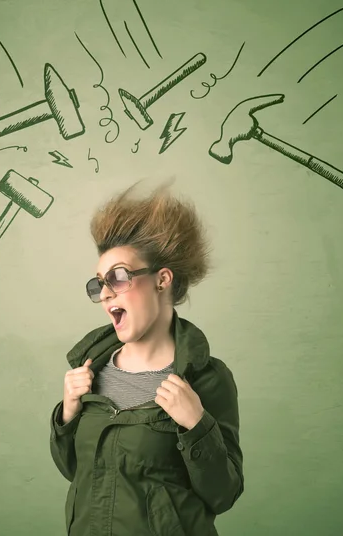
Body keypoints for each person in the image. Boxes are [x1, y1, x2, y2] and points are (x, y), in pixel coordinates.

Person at [49, 177, 244, 536]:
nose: (106, 294)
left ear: (162, 280)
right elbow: (77, 474)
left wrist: (197, 425)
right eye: (98, 284)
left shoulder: (205, 380)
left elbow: (224, 494)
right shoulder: (89, 372)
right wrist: (68, 414)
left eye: (118, 278)